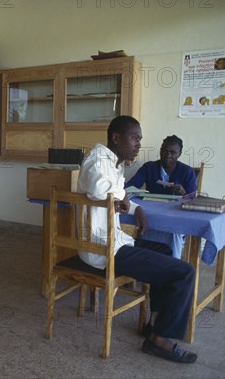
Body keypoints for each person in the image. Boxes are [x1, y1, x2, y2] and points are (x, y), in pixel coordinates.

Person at [77, 115, 197, 363]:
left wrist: (135, 209)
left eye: (140, 140)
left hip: (114, 241)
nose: (138, 145)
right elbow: (99, 188)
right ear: (116, 137)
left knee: (164, 250)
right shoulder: (96, 159)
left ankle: (154, 323)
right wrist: (124, 198)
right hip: (104, 248)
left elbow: (117, 198)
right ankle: (160, 341)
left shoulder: (114, 163)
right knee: (184, 272)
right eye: (134, 138)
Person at [125, 135, 197, 258]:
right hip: (151, 220)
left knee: (175, 234)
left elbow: (193, 201)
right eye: (165, 150)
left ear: (179, 154)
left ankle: (173, 269)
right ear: (160, 150)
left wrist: (183, 192)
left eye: (173, 152)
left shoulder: (187, 171)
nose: (168, 155)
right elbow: (131, 186)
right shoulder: (149, 167)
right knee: (139, 231)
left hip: (175, 222)